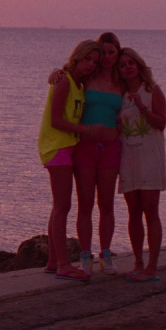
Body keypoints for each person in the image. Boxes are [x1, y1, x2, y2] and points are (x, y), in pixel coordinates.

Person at [38, 40, 103, 282]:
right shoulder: (64, 80)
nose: (90, 64)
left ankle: (54, 261)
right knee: (62, 205)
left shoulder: (78, 84)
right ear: (78, 57)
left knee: (60, 205)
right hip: (57, 146)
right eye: (88, 59)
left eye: (94, 62)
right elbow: (56, 120)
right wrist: (86, 130)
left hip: (69, 145)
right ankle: (64, 264)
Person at [72, 32, 124, 276]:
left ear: (117, 53)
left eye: (111, 52)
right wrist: (56, 73)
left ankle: (106, 253)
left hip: (111, 149)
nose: (106, 57)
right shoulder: (87, 78)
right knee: (85, 204)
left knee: (107, 204)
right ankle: (85, 255)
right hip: (85, 148)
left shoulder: (122, 81)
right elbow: (68, 77)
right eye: (103, 52)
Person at [116, 47, 166, 283]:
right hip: (128, 159)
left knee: (150, 211)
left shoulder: (152, 91)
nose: (128, 67)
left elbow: (161, 123)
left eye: (131, 63)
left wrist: (143, 108)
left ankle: (153, 266)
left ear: (139, 64)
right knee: (133, 212)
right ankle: (138, 262)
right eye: (123, 64)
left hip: (149, 159)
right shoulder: (120, 96)